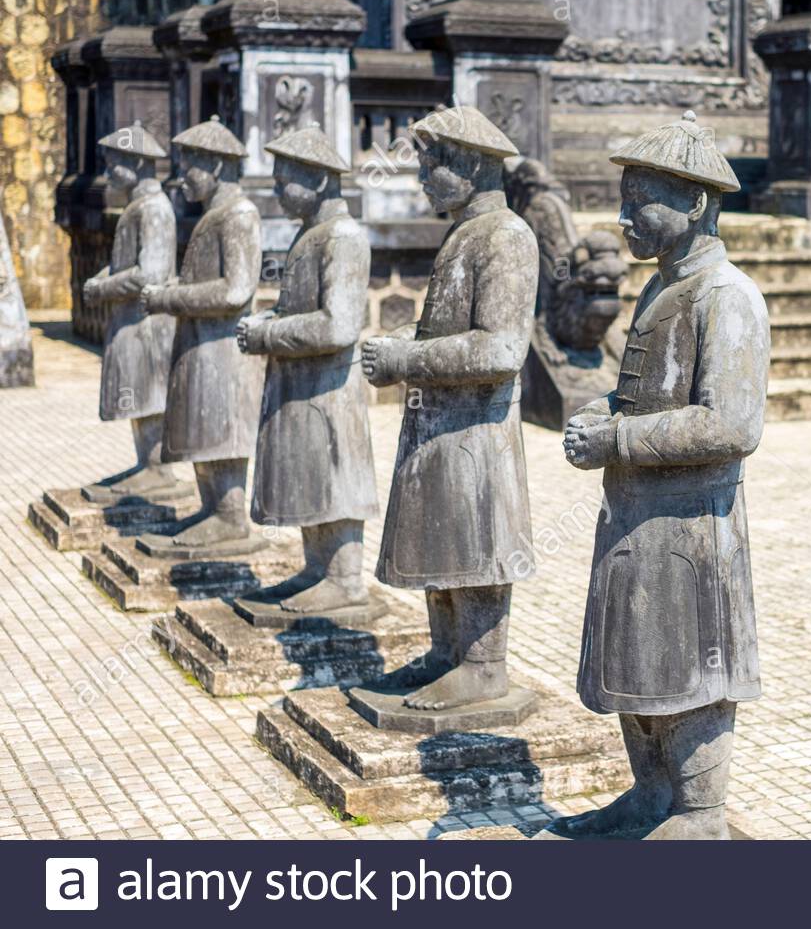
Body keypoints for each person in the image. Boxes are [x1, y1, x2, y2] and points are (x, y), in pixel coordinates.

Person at [547, 111, 770, 840]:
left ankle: (700, 811)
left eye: (639, 201)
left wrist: (618, 436)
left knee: (693, 660)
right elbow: (647, 393)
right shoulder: (660, 287)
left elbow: (732, 425)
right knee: (638, 652)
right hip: (635, 510)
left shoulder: (725, 296)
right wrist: (604, 410)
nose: (623, 218)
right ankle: (650, 796)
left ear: (696, 201)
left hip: (691, 521)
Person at [360, 106, 537, 711]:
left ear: (472, 166)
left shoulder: (506, 235)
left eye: (432, 164)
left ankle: (483, 665)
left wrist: (407, 359)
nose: (421, 177)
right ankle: (446, 653)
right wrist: (405, 341)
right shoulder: (466, 233)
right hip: (440, 420)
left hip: (476, 427)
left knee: (475, 539)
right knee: (439, 535)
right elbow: (450, 327)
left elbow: (502, 348)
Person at [235, 124, 379, 613]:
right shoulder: (310, 234)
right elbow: (297, 307)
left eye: (284, 181)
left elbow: (338, 326)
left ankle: (345, 578)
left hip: (329, 388)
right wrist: (269, 320)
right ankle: (318, 569)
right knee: (309, 474)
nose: (276, 191)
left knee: (334, 475)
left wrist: (266, 335)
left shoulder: (343, 236)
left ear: (318, 179)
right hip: (300, 382)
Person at [140, 117, 263, 552]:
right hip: (201, 344)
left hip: (222, 349)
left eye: (190, 165)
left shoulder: (239, 214)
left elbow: (235, 290)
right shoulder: (215, 215)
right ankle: (212, 509)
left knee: (220, 431)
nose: (181, 177)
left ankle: (229, 516)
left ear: (218, 166)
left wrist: (170, 298)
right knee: (201, 428)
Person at [81, 121, 180, 503]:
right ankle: (147, 464)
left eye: (114, 164)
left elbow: (149, 274)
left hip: (147, 321)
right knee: (139, 395)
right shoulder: (138, 207)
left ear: (138, 163)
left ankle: (157, 468)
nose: (108, 172)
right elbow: (128, 264)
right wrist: (102, 280)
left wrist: (103, 288)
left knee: (149, 395)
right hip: (132, 321)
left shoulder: (154, 208)